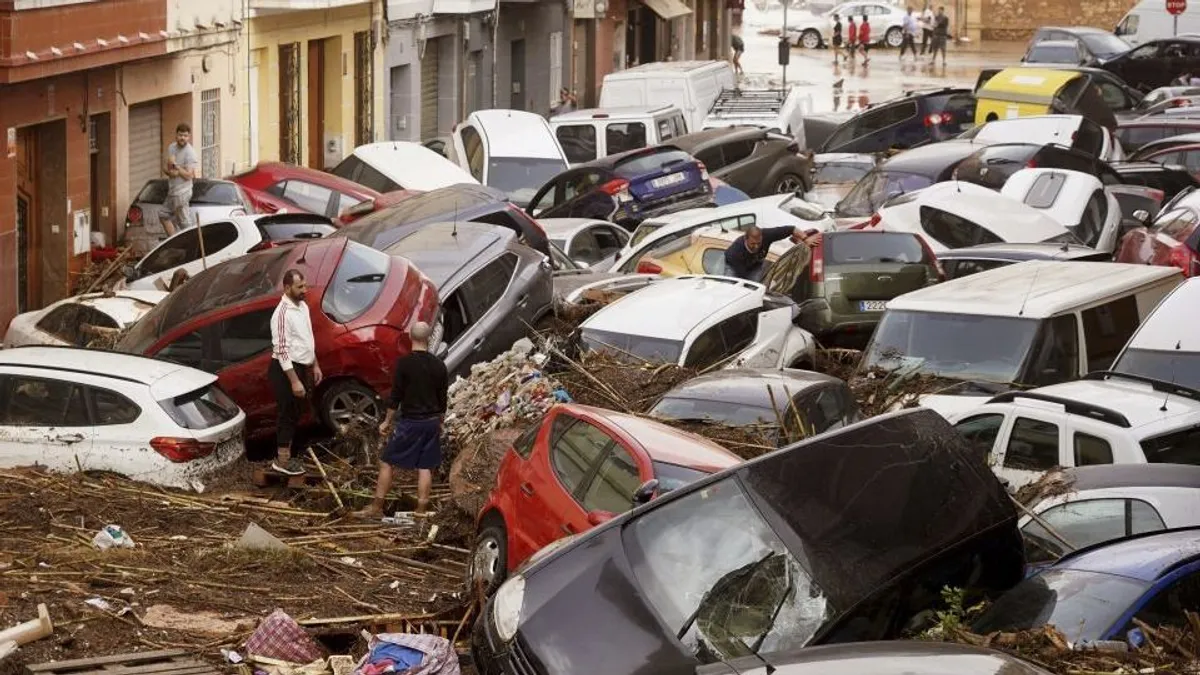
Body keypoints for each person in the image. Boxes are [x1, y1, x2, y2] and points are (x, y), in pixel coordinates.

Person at [356, 322, 449, 519]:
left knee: (386, 461)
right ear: (429, 338)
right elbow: (443, 399)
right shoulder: (439, 366)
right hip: (431, 422)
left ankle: (376, 507)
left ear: (410, 338)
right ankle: (421, 511)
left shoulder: (404, 364)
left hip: (411, 422)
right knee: (425, 466)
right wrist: (440, 422)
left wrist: (386, 422)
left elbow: (395, 397)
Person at [268, 269, 322, 476]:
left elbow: (307, 339)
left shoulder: (303, 307)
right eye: (300, 287)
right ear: (287, 287)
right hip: (286, 370)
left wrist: (315, 364)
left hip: (302, 366)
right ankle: (282, 460)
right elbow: (282, 350)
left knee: (299, 411)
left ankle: (291, 454)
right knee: (287, 413)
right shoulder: (282, 314)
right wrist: (294, 381)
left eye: (305, 286)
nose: (304, 290)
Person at [725, 225, 822, 281]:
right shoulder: (735, 252)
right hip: (734, 267)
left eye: (759, 243)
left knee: (756, 287)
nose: (756, 246)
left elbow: (791, 229)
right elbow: (743, 277)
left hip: (755, 264)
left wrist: (806, 239)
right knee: (733, 289)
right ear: (745, 239)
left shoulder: (768, 234)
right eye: (752, 244)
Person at [161, 123, 199, 238]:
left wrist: (177, 168)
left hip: (182, 192)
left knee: (175, 219)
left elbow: (189, 175)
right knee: (171, 217)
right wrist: (169, 172)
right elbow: (167, 167)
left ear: (189, 137)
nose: (183, 138)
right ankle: (179, 242)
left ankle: (184, 243)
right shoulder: (172, 147)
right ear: (176, 135)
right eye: (180, 135)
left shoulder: (190, 153)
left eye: (185, 136)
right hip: (173, 190)